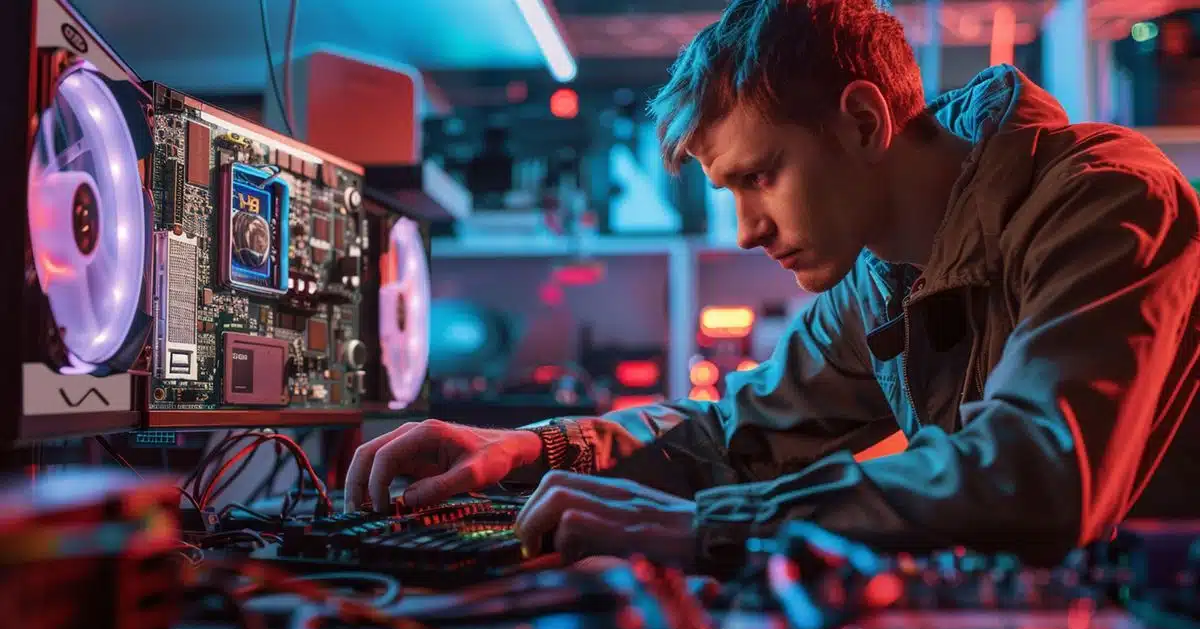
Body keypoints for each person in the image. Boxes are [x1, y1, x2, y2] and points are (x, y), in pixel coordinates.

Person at [346, 0, 1200, 576]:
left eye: (761, 178)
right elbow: (733, 435)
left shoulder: (1104, 197)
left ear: (863, 123)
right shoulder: (879, 280)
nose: (749, 231)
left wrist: (709, 527)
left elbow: (1037, 469)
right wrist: (534, 448)